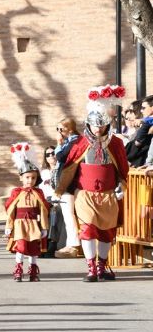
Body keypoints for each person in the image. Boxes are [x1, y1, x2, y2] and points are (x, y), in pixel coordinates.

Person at [55, 86, 129, 282]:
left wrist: (122, 184)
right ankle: (91, 268)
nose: (99, 129)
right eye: (96, 125)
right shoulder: (79, 143)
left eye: (102, 125)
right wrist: (61, 190)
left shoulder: (116, 143)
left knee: (106, 231)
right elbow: (69, 167)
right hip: (85, 194)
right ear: (88, 124)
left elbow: (122, 167)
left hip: (107, 194)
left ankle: (102, 266)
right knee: (87, 229)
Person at [4, 143, 50, 281]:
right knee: (20, 246)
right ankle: (18, 269)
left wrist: (44, 227)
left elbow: (43, 210)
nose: (30, 180)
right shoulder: (16, 192)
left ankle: (33, 270)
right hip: (19, 225)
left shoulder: (39, 192)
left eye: (33, 178)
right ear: (21, 178)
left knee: (33, 248)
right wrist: (8, 226)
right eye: (27, 177)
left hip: (33, 224)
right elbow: (11, 210)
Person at [53, 117, 81, 259]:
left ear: (70, 129)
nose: (58, 132)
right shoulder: (70, 141)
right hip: (66, 181)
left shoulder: (74, 141)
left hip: (69, 182)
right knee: (68, 214)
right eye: (57, 129)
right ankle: (72, 243)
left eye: (61, 129)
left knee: (69, 214)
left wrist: (58, 143)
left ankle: (73, 245)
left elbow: (61, 156)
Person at [39, 145, 63, 258]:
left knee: (55, 212)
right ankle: (43, 244)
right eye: (47, 154)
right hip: (46, 200)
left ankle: (52, 243)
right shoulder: (43, 173)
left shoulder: (62, 169)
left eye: (53, 153)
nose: (51, 156)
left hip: (60, 200)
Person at [126, 94, 153, 167]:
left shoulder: (146, 122)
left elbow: (138, 142)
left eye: (144, 108)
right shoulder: (146, 122)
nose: (141, 110)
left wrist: (143, 121)